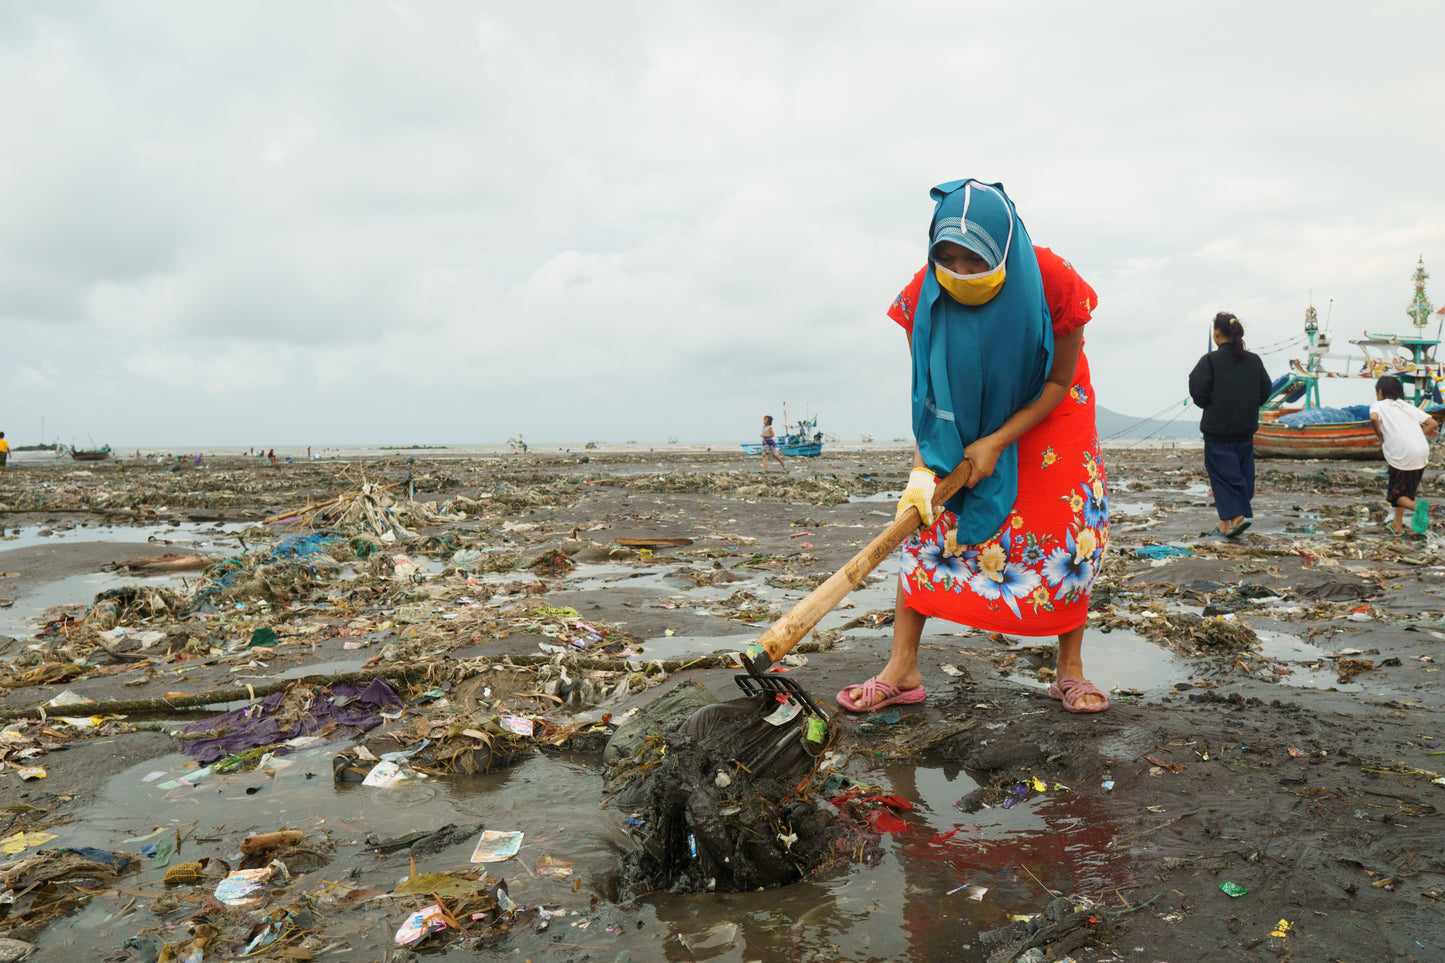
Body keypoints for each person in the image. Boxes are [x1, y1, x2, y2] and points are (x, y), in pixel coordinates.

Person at [839, 178, 1110, 715]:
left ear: (1004, 250)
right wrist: (922, 471)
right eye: (949, 259)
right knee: (927, 522)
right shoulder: (924, 292)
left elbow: (1056, 383)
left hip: (1050, 407)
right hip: (962, 408)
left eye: (974, 261)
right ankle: (903, 668)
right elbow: (929, 392)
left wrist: (999, 441)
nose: (960, 273)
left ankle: (1070, 671)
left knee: (1068, 524)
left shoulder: (1054, 281)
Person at [1188, 312, 1272, 536]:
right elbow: (1265, 390)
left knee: (1224, 477)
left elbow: (1197, 391)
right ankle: (1225, 524)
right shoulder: (1253, 360)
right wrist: (1247, 405)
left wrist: (1212, 404)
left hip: (1218, 431)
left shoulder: (1210, 361)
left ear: (1217, 335)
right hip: (1245, 430)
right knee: (1241, 474)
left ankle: (1237, 514)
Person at [1370, 375, 1438, 536]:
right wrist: (1416, 435)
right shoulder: (1407, 406)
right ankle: (1397, 525)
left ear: (1380, 391)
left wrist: (1379, 434)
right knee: (1406, 492)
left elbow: (1373, 418)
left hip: (1402, 452)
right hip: (1421, 450)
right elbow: (1433, 423)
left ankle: (1422, 508)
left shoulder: (1379, 405)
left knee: (1395, 495)